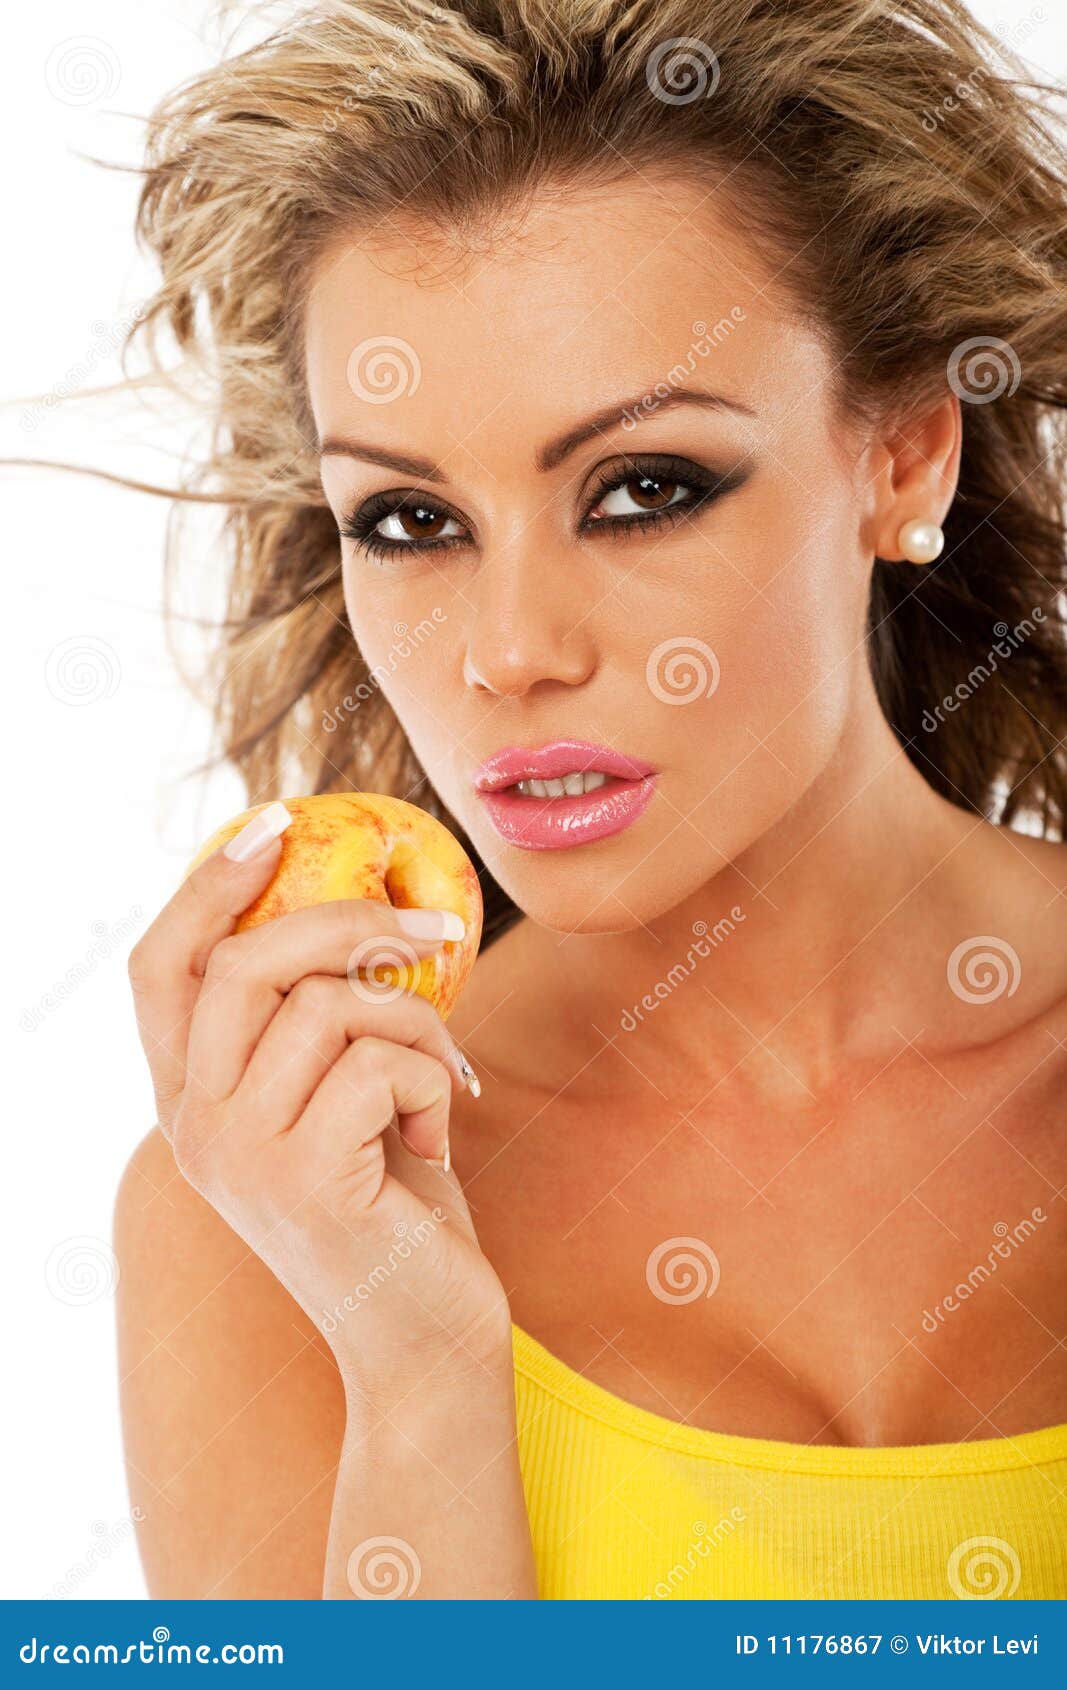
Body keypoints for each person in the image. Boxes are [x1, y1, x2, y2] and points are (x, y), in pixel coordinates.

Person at [114, 0, 1067, 1598]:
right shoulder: (269, 1200)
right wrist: (413, 1363)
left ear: (902, 454)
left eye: (642, 490)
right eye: (412, 520)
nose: (510, 652)